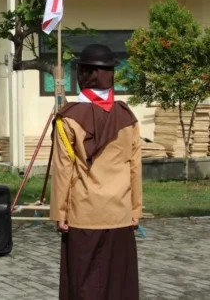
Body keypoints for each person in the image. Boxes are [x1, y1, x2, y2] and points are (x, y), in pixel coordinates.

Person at [50, 43, 142, 300]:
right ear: (110, 75)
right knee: (118, 285)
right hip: (120, 213)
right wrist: (135, 209)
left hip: (83, 213)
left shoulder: (67, 118)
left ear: (82, 75)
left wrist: (59, 212)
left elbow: (63, 168)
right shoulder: (128, 117)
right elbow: (134, 167)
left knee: (82, 284)